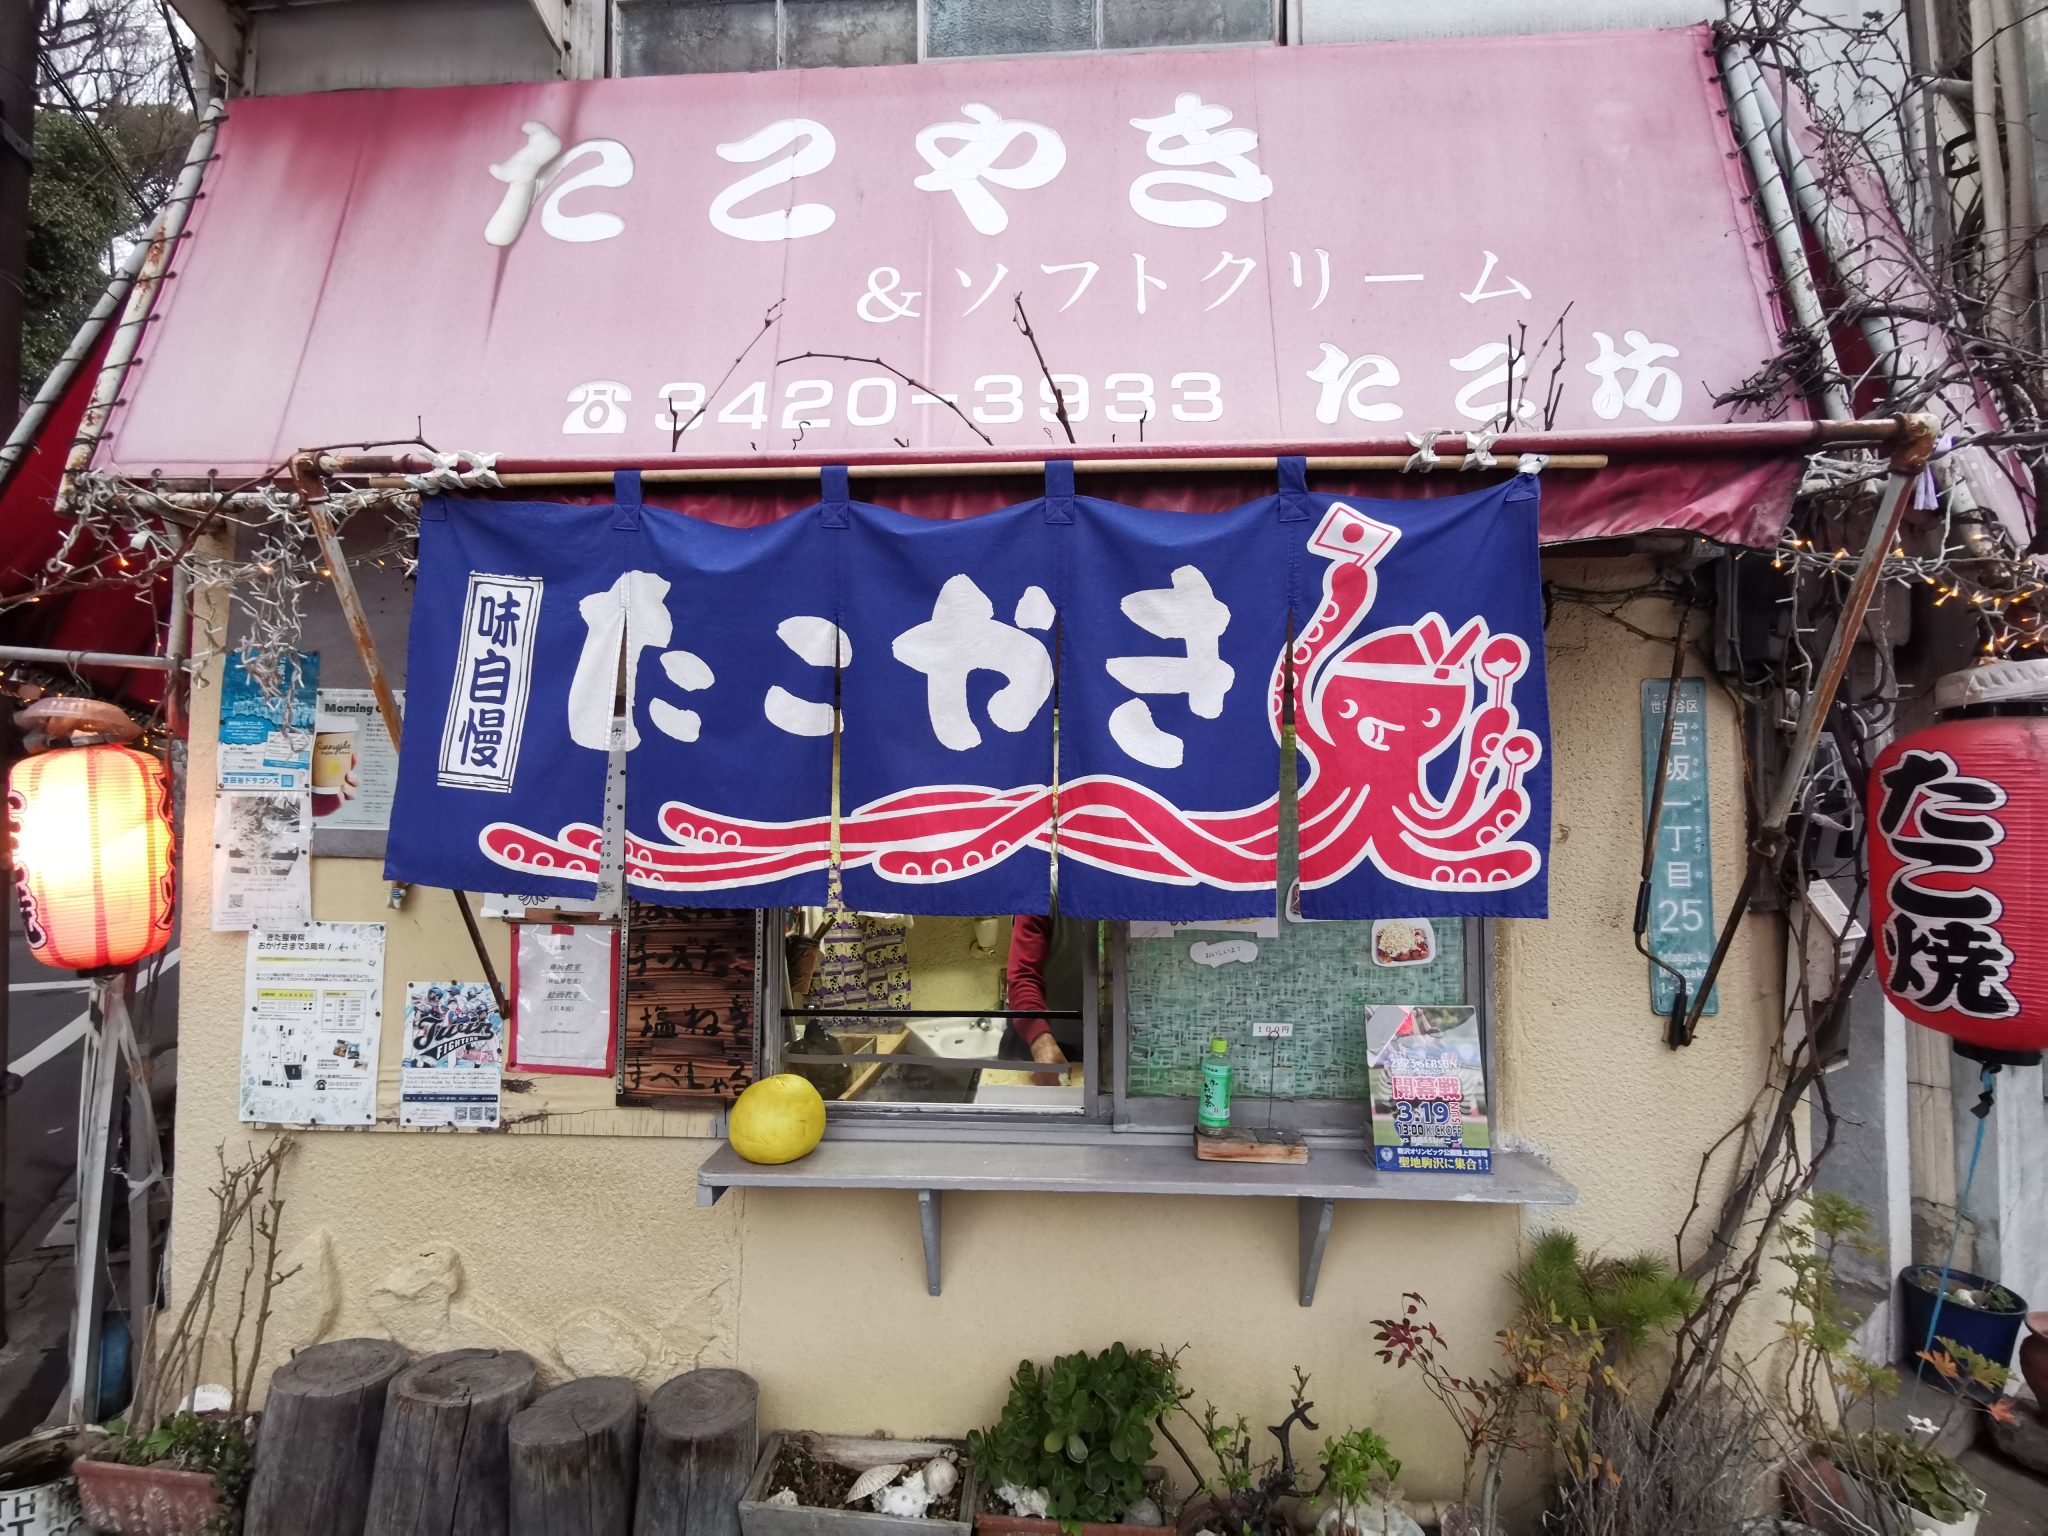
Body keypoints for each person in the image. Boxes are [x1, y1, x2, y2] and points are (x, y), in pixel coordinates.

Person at [1003, 914, 1091, 1077]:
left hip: (1099, 1043)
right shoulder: (1041, 895)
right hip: (1036, 1039)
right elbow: (1023, 976)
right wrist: (1040, 1040)